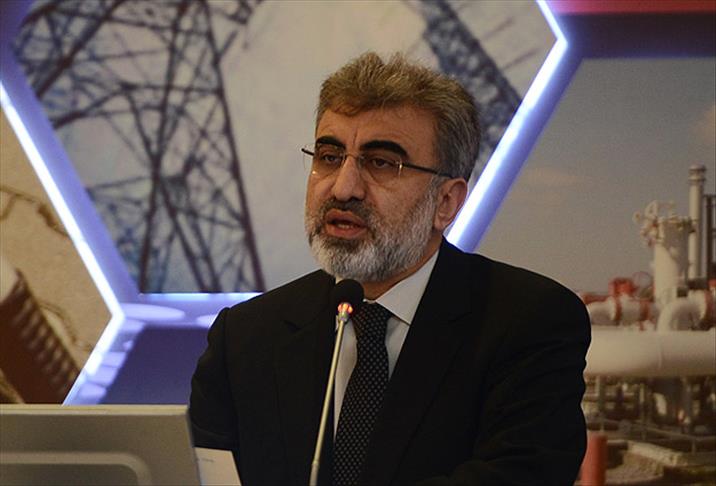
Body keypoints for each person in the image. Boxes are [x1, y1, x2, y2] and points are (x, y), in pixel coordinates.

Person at [190, 52, 591, 486]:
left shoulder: (529, 322)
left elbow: (520, 475)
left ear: (446, 202)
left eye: (381, 162)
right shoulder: (245, 337)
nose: (343, 188)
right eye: (329, 156)